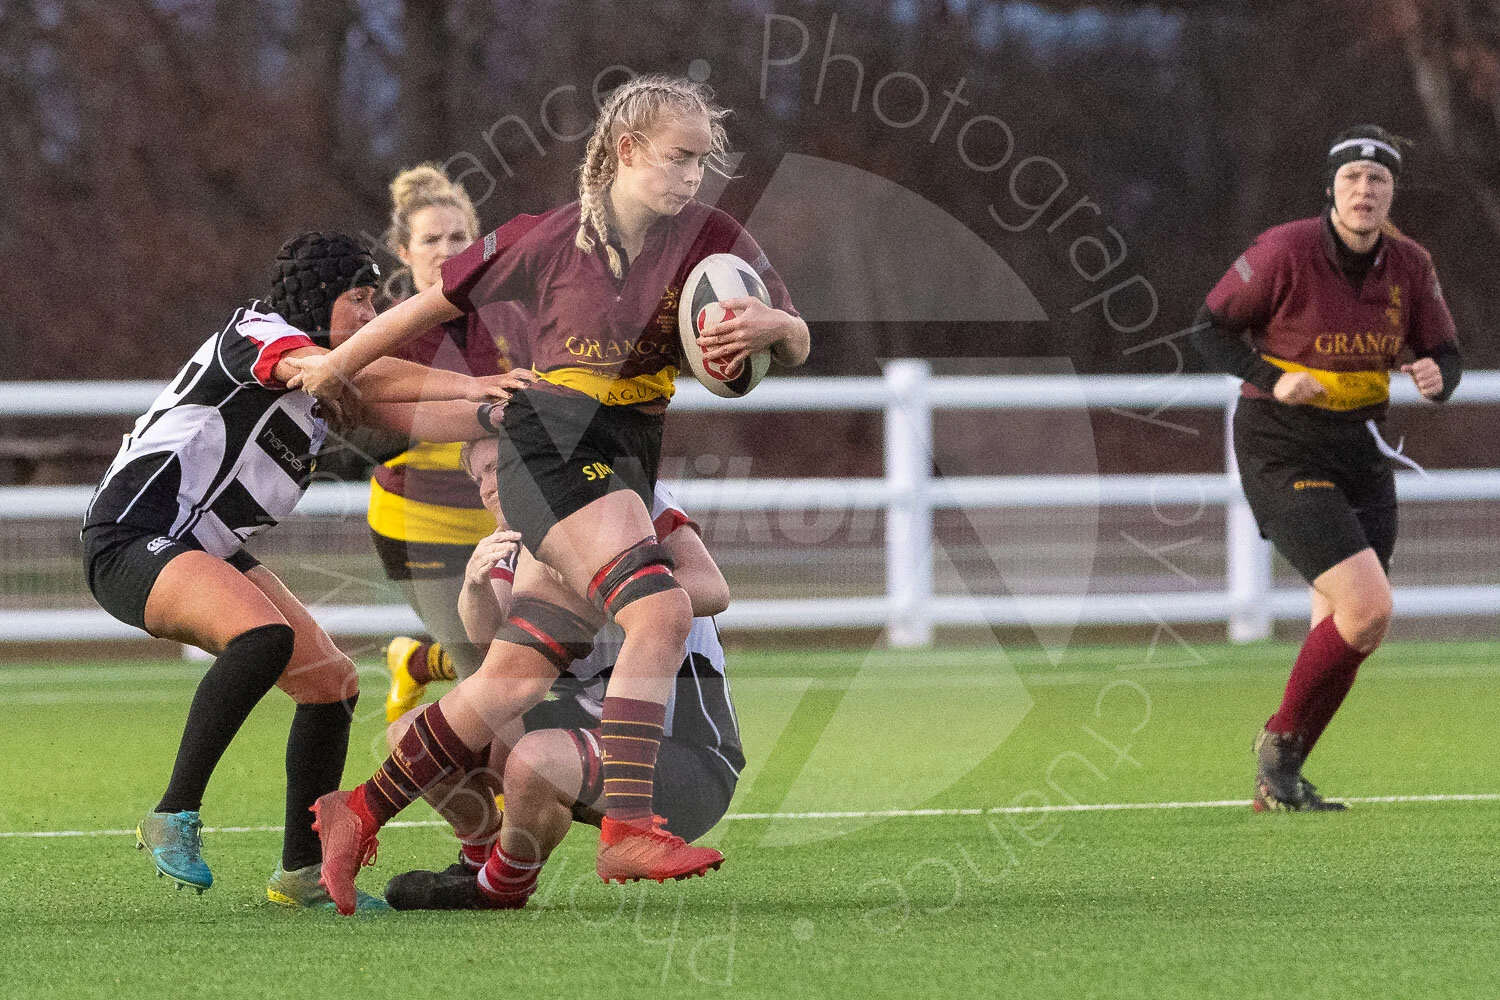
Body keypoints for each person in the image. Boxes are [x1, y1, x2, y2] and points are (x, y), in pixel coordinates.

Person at [290, 74, 808, 914]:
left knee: (513, 679)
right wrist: (335, 365)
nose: (692, 178)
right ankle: (628, 828)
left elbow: (797, 335)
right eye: (679, 159)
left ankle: (356, 810)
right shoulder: (543, 238)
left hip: (629, 454)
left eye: (703, 163)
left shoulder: (714, 239)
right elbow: (425, 307)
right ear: (627, 150)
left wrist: (774, 330)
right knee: (662, 612)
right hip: (553, 446)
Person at [85, 232, 517, 908]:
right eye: (360, 300)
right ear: (318, 299)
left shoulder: (326, 372)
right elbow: (349, 375)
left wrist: (500, 409)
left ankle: (301, 875)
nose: (374, 317)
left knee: (331, 684)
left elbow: (411, 409)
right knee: (263, 638)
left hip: (202, 546)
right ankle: (174, 811)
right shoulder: (260, 335)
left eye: (377, 302)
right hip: (131, 537)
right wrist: (473, 380)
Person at [1193, 125, 1462, 812]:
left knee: (1357, 625)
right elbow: (1207, 328)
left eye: (1378, 180)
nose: (1365, 190)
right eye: (1352, 179)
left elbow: (1445, 355)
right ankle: (1278, 746)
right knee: (1368, 605)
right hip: (1281, 444)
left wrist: (1439, 376)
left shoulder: (1409, 264)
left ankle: (1277, 781)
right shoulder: (1283, 251)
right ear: (1331, 190)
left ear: (1391, 193)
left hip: (1360, 447)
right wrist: (1269, 376)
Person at [381, 435, 741, 910]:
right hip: (589, 738)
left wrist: (605, 590)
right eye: (479, 476)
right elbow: (491, 658)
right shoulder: (519, 543)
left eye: (499, 467)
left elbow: (713, 589)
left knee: (536, 758)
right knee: (411, 734)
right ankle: (480, 859)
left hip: (688, 760)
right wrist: (473, 588)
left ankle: (499, 888)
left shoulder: (628, 501)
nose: (489, 487)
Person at [360, 164, 531, 719]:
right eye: (430, 239)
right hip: (419, 522)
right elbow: (375, 430)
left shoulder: (513, 314)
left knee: (537, 652)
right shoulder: (388, 332)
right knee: (488, 677)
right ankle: (505, 795)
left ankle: (416, 662)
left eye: (459, 238)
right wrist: (484, 412)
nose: (446, 249)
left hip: (502, 515)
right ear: (404, 254)